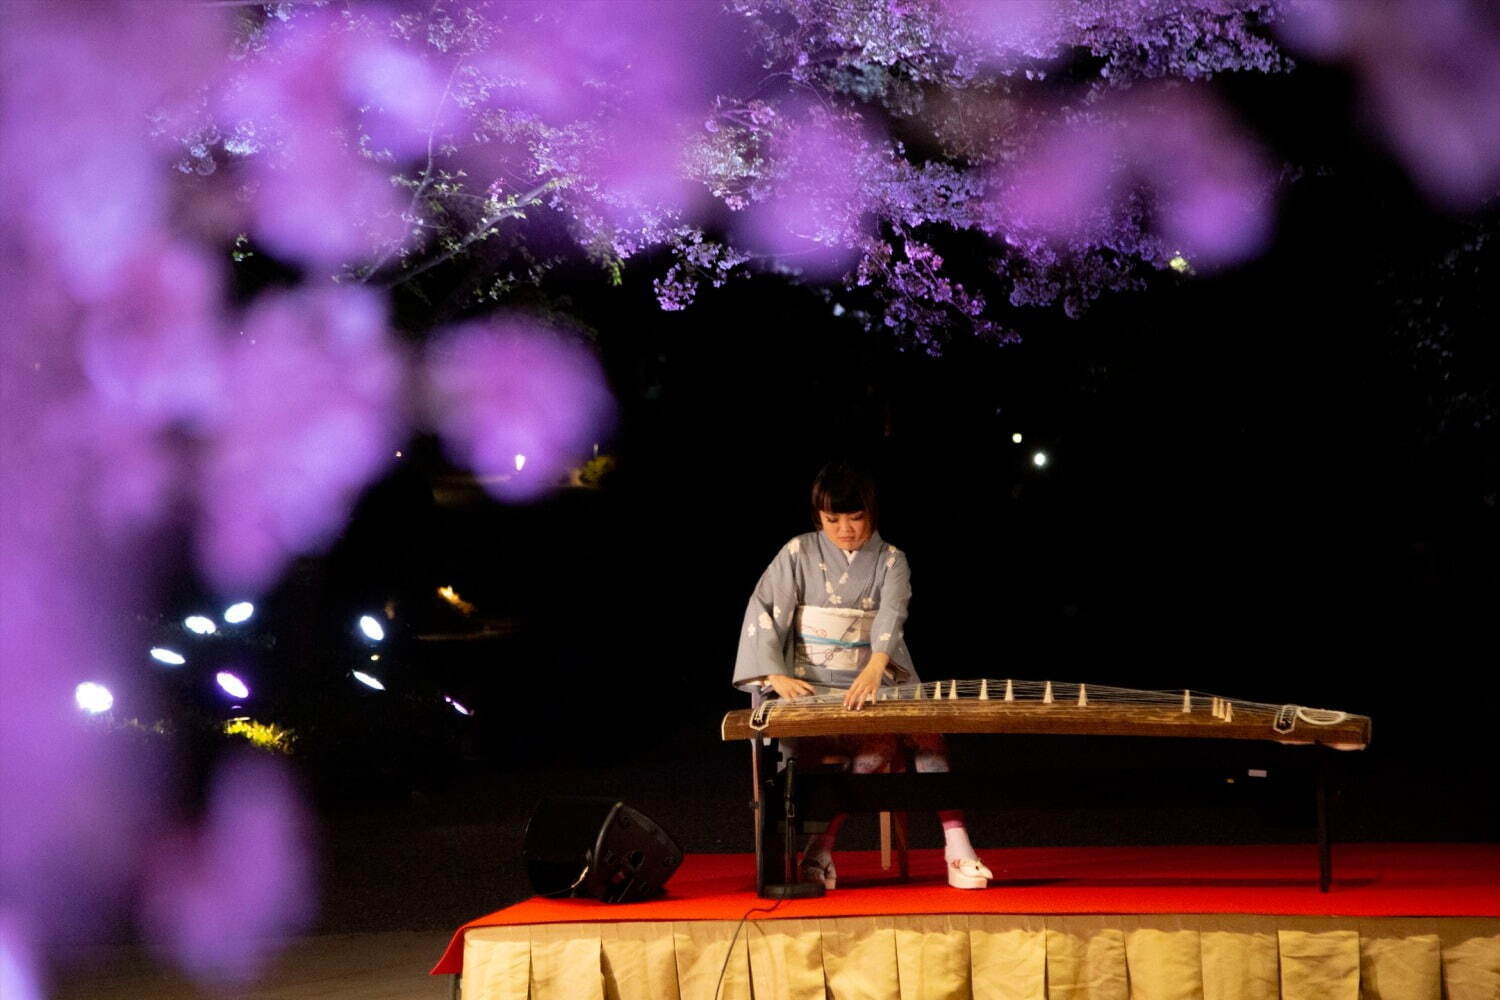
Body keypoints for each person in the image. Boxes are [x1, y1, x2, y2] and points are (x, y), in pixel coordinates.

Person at [732, 462, 993, 890]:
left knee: (923, 733)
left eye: (855, 517)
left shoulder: (892, 561)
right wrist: (774, 675)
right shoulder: (798, 553)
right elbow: (762, 612)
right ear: (818, 516)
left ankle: (957, 845)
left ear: (871, 512)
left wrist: (874, 666)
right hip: (811, 687)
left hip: (874, 679)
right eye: (833, 519)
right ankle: (818, 851)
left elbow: (892, 613)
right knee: (870, 745)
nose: (845, 529)